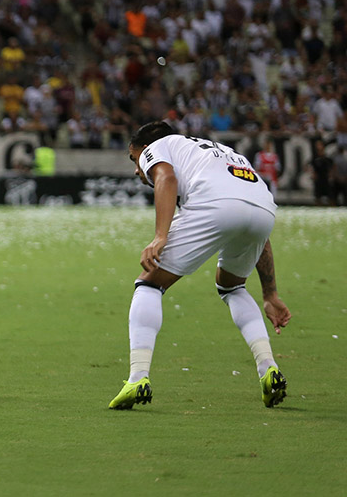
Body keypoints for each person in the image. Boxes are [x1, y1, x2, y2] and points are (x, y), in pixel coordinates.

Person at [109, 121, 291, 410]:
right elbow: (254, 225)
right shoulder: (222, 153)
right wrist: (270, 294)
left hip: (215, 204)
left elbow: (165, 177)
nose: (137, 169)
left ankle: (137, 378)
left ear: (144, 148)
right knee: (232, 286)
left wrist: (160, 237)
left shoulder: (158, 146)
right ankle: (268, 368)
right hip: (264, 209)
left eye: (135, 159)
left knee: (149, 283)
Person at [309, 140, 334, 206]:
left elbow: (332, 167)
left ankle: (331, 207)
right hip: (318, 179)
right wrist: (313, 174)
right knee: (318, 196)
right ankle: (319, 207)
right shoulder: (314, 158)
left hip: (326, 178)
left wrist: (331, 175)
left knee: (330, 196)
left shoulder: (327, 159)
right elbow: (311, 167)